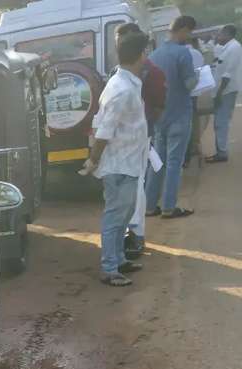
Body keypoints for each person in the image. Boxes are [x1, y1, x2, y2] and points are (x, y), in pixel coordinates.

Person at [83, 31, 151, 287]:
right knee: (115, 218)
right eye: (147, 51)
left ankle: (119, 259)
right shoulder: (122, 89)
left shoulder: (126, 82)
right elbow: (105, 130)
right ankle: (109, 268)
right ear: (141, 54)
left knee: (123, 215)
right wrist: (94, 160)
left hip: (128, 162)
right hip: (118, 165)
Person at [104, 22, 166, 257]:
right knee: (122, 197)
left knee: (136, 191)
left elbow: (158, 107)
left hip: (138, 140)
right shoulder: (118, 73)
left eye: (124, 41)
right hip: (118, 143)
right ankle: (121, 244)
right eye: (118, 41)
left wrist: (142, 130)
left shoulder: (152, 72)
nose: (120, 45)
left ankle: (136, 237)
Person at [145, 16, 199, 219]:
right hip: (179, 116)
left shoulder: (155, 55)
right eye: (190, 32)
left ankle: (150, 206)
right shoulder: (183, 53)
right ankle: (169, 207)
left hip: (160, 117)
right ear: (183, 29)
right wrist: (199, 76)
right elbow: (189, 85)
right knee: (174, 163)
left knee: (158, 163)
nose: (190, 37)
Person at [207, 25, 241, 163]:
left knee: (221, 122)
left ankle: (222, 153)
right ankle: (221, 150)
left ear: (227, 35)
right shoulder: (227, 48)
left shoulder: (234, 48)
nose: (217, 37)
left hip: (226, 91)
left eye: (219, 34)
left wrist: (219, 93)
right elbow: (220, 64)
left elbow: (227, 75)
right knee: (220, 122)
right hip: (223, 90)